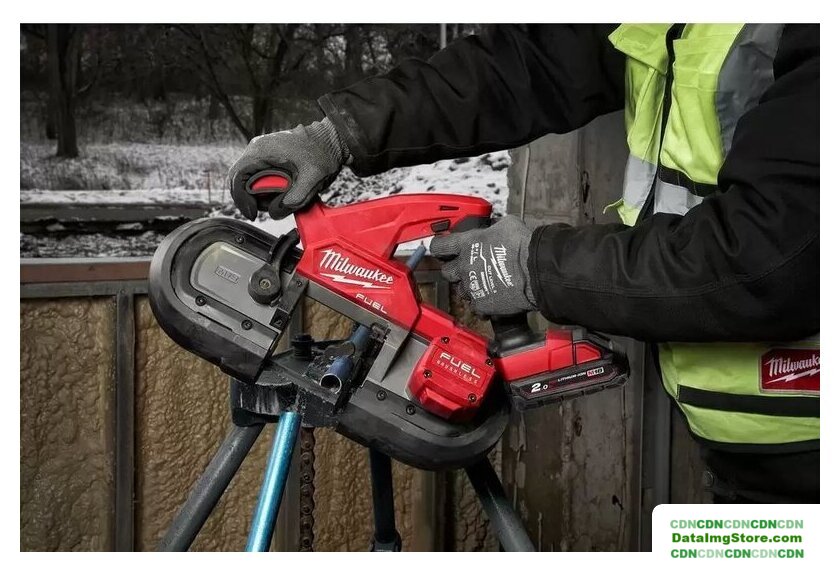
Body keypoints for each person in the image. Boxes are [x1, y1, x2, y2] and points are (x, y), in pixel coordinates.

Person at [227, 24, 819, 503]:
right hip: (741, 437)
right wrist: (340, 134)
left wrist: (535, 266)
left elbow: (772, 257)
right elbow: (522, 67)